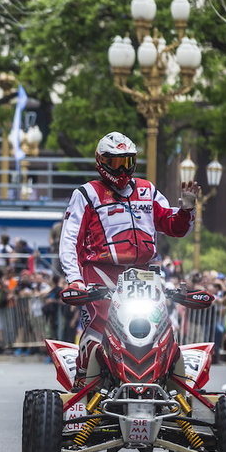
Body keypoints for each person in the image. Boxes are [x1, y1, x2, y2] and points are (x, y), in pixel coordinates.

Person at [58, 131, 198, 381]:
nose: (122, 170)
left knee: (161, 327)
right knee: (99, 329)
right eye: (116, 162)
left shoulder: (148, 190)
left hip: (144, 274)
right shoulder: (87, 194)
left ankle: (172, 385)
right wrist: (75, 280)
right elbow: (69, 240)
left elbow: (173, 227)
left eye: (128, 162)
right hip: (100, 275)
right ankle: (83, 381)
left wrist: (187, 210)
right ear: (101, 161)